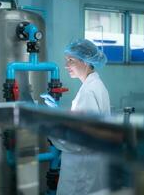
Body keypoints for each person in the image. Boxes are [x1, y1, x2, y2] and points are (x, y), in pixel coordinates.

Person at [41, 39, 111, 195]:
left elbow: (78, 141)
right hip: (90, 165)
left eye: (71, 61)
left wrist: (51, 129)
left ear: (85, 62)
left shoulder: (88, 91)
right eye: (66, 61)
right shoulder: (94, 86)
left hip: (81, 170)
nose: (66, 66)